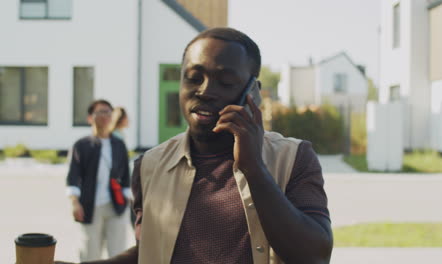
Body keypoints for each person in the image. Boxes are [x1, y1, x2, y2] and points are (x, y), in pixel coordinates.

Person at [57, 27, 332, 264]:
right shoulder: (149, 166)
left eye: (225, 81)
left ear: (253, 92)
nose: (204, 90)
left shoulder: (294, 157)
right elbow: (152, 252)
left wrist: (254, 167)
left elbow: (313, 256)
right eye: (193, 77)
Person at [66, 99, 132, 261]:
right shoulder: (81, 145)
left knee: (117, 254)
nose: (105, 115)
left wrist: (128, 200)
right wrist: (75, 203)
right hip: (89, 207)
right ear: (90, 118)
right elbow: (73, 177)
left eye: (108, 112)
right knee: (90, 255)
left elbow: (125, 176)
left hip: (116, 206)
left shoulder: (118, 144)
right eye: (100, 112)